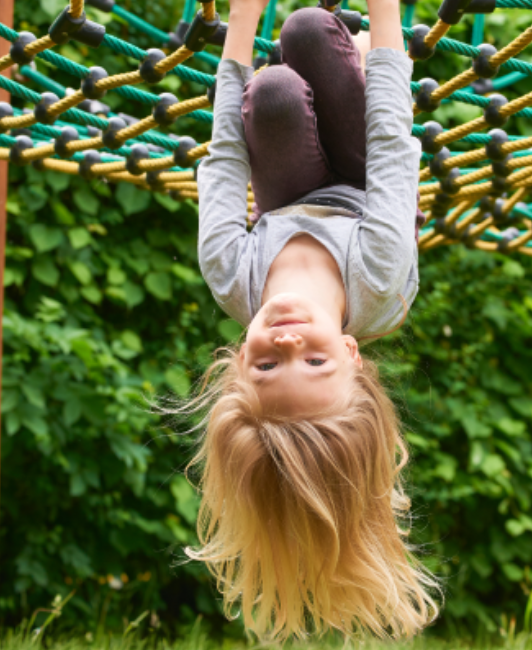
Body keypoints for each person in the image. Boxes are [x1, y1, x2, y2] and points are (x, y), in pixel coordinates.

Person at [180, 0, 436, 641]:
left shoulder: (231, 273)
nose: (288, 340)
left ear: (241, 360)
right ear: (352, 353)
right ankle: (322, 47)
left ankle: (290, 70)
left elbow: (223, 158)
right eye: (314, 361)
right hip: (364, 181)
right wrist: (386, 14)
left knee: (273, 95)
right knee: (305, 31)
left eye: (267, 364)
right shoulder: (377, 277)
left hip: (284, 189)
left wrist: (239, 22)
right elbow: (390, 143)